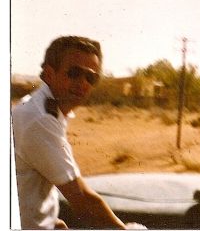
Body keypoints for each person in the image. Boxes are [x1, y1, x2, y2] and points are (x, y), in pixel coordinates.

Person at [12, 36, 142, 229]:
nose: (83, 83)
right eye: (74, 73)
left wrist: (51, 221)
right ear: (49, 74)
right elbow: (82, 200)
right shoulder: (40, 119)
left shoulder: (42, 109)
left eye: (91, 77)